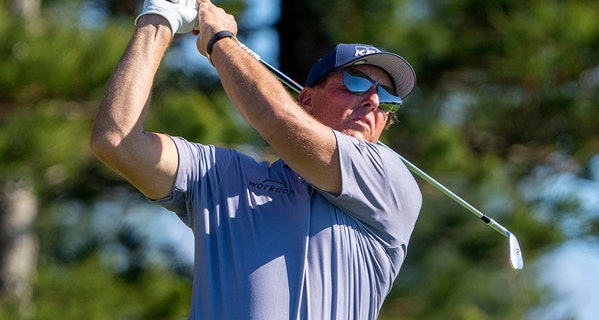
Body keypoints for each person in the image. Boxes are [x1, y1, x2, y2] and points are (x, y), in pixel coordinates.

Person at [90, 0, 422, 318]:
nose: (374, 101)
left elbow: (277, 118)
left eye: (389, 97)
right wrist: (159, 17)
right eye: (357, 82)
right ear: (306, 100)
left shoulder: (388, 180)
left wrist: (219, 39)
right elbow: (117, 140)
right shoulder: (223, 176)